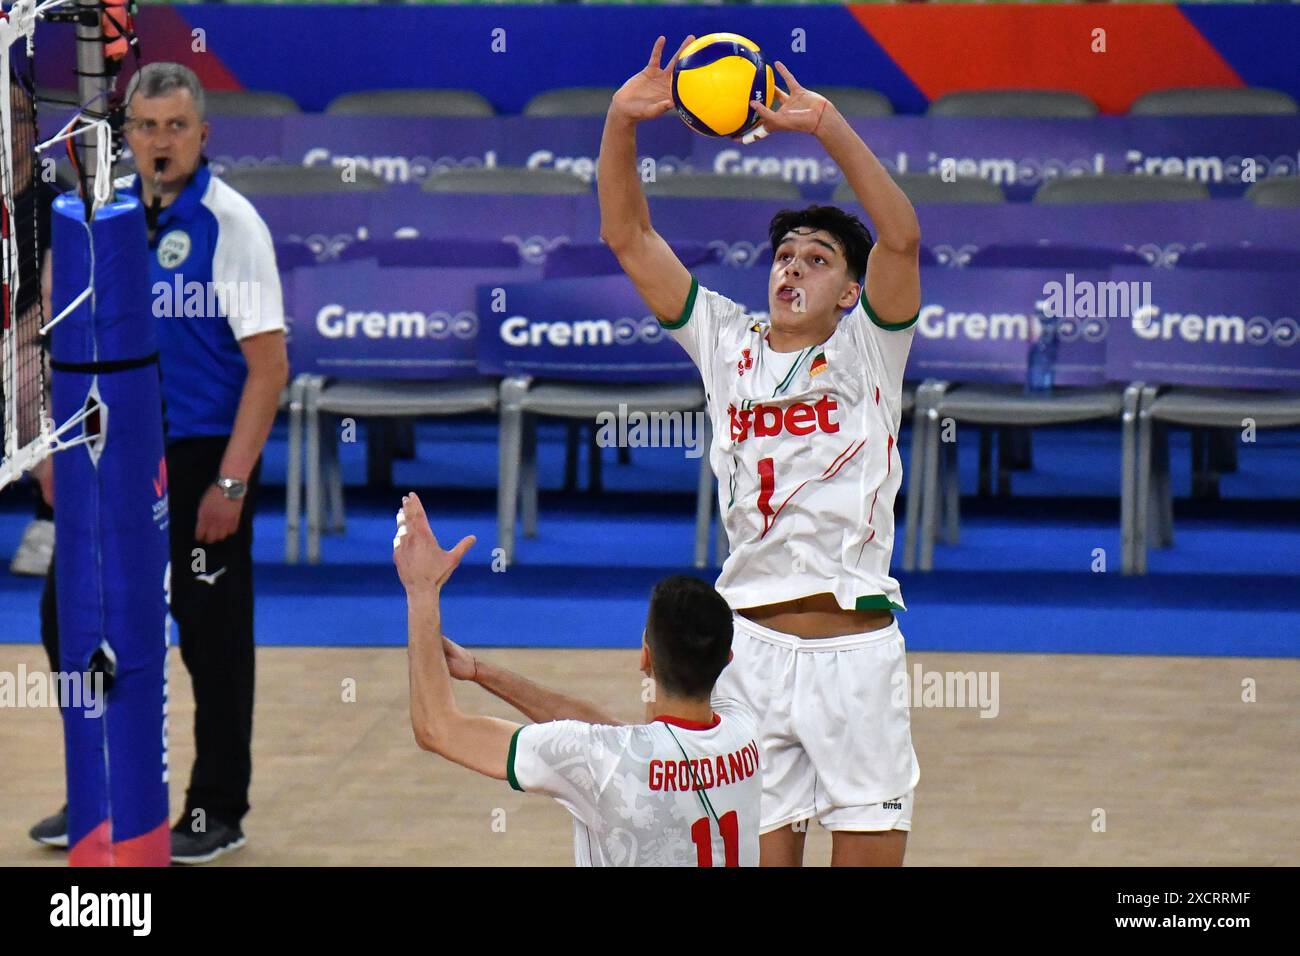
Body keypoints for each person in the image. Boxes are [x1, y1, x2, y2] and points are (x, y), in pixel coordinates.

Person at [597, 37, 924, 866]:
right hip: (750, 658)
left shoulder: (871, 351)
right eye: (784, 257)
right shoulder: (725, 342)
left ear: (850, 291)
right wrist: (620, 124)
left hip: (856, 659)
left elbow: (902, 239)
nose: (792, 271)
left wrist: (827, 126)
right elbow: (630, 237)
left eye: (817, 261)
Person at [29, 62, 288, 864]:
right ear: (125, 136)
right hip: (110, 460)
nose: (160, 142)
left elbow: (269, 367)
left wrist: (231, 483)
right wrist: (50, 447)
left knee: (211, 639)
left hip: (203, 454)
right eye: (146, 127)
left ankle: (217, 806)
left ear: (203, 135)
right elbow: (53, 340)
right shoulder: (92, 222)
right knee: (71, 620)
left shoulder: (229, 222)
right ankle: (106, 787)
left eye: (176, 127)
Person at [393, 492, 762, 866]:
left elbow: (436, 729)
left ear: (645, 657)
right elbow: (611, 732)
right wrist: (480, 671)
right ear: (726, 659)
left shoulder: (605, 761)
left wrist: (422, 590)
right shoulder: (746, 731)